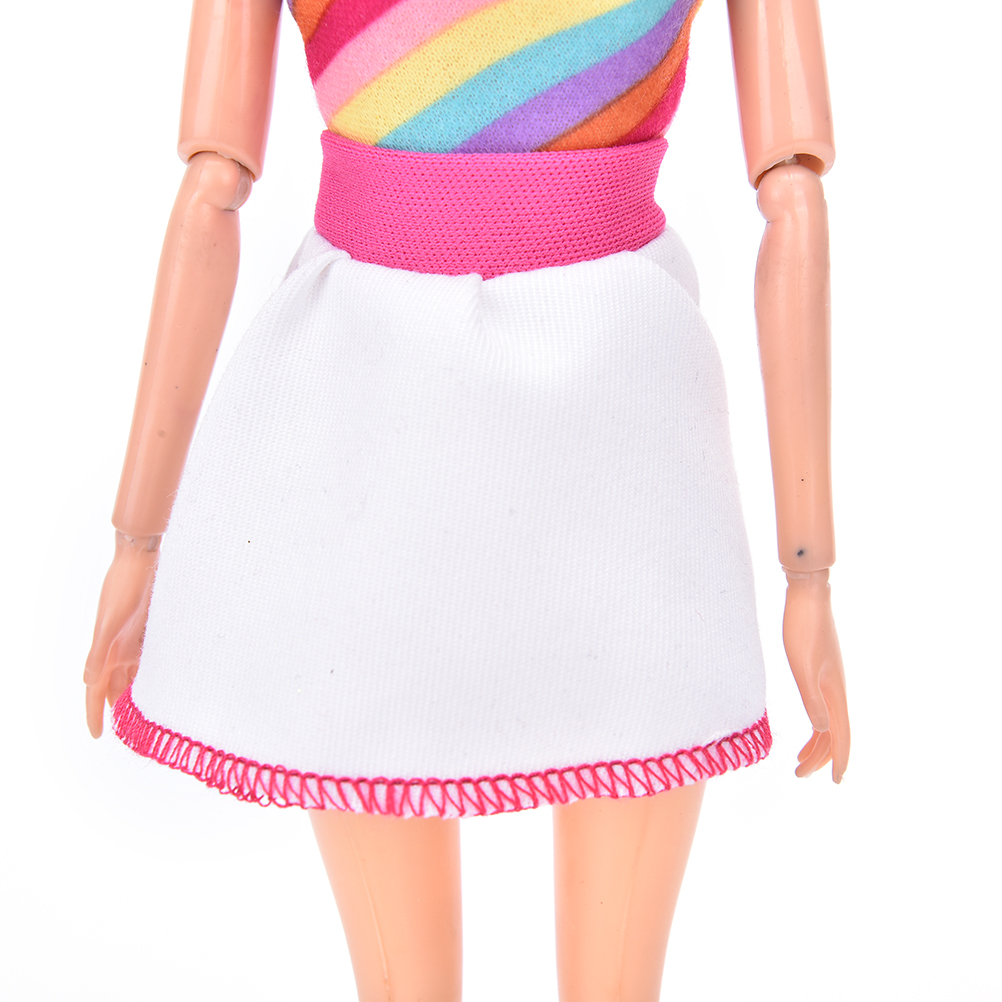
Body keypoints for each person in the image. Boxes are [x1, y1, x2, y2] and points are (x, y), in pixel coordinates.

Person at [84, 1, 849, 998]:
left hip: (574, 405)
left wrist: (139, 539)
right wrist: (808, 573)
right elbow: (794, 199)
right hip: (481, 391)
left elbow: (210, 188)